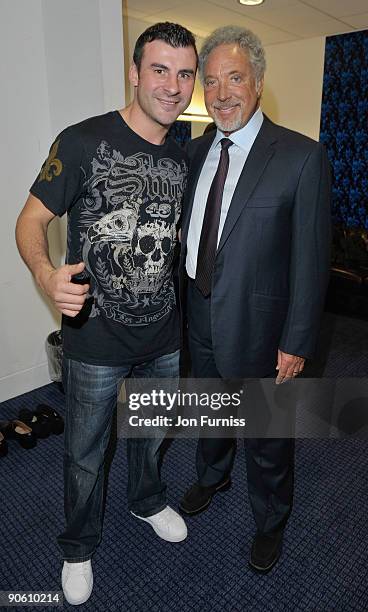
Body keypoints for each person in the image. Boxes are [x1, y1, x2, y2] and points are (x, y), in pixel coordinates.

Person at [16, 22, 197, 605]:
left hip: (164, 336)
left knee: (152, 437)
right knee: (85, 455)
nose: (173, 85)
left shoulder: (183, 151)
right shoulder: (83, 141)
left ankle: (147, 502)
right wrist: (48, 277)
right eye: (160, 69)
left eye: (184, 72)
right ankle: (78, 546)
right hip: (95, 340)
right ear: (135, 72)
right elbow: (30, 221)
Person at [178, 26, 331, 573]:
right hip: (199, 316)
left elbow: (311, 263)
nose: (221, 93)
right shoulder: (194, 153)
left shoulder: (300, 157)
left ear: (259, 83)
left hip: (264, 331)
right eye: (212, 81)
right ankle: (212, 475)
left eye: (234, 78)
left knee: (266, 435)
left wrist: (297, 342)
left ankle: (270, 520)